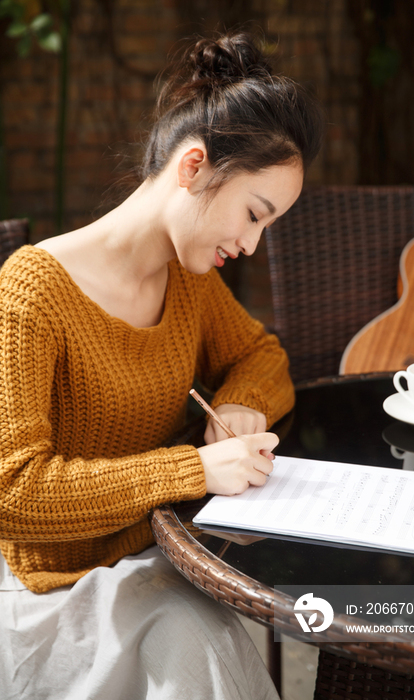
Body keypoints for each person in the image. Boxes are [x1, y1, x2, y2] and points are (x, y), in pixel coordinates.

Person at [0, 30, 324, 700]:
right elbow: (14, 493)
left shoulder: (192, 282)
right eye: (253, 214)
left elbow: (262, 354)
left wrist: (243, 403)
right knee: (203, 643)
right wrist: (195, 468)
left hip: (169, 558)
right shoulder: (28, 296)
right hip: (52, 591)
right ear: (194, 166)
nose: (253, 244)